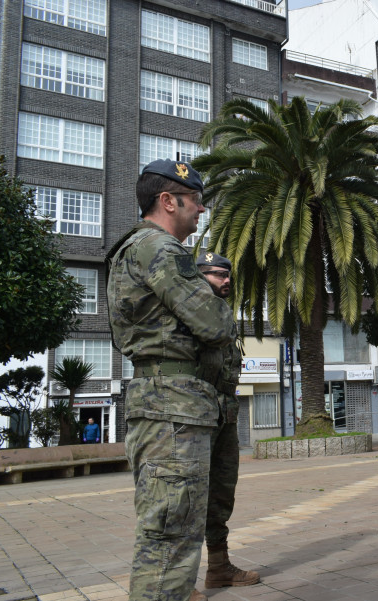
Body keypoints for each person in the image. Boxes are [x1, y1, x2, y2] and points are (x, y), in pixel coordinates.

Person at [106, 159, 236, 601]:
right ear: (168, 201)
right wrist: (219, 310)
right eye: (195, 201)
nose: (201, 210)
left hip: (168, 403)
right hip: (173, 407)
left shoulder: (137, 248)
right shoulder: (160, 249)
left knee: (170, 528)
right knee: (170, 535)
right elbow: (215, 323)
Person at [195, 252, 260, 589]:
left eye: (228, 274)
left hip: (224, 412)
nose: (226, 280)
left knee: (221, 493)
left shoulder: (221, 312)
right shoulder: (189, 308)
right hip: (193, 413)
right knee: (186, 497)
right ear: (200, 275)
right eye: (218, 274)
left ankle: (218, 567)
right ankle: (177, 582)